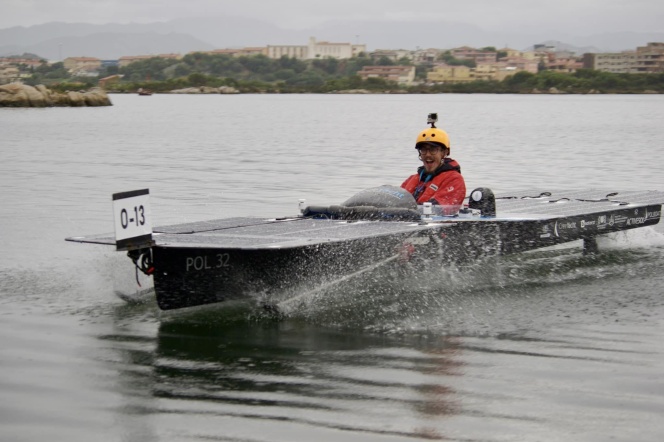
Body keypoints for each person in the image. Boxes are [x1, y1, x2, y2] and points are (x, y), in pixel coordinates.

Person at [400, 115, 466, 214]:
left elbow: (437, 210)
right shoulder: (412, 179)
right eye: (423, 150)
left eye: (433, 150)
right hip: (410, 223)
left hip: (437, 227)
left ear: (444, 152)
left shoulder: (454, 180)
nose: (428, 154)